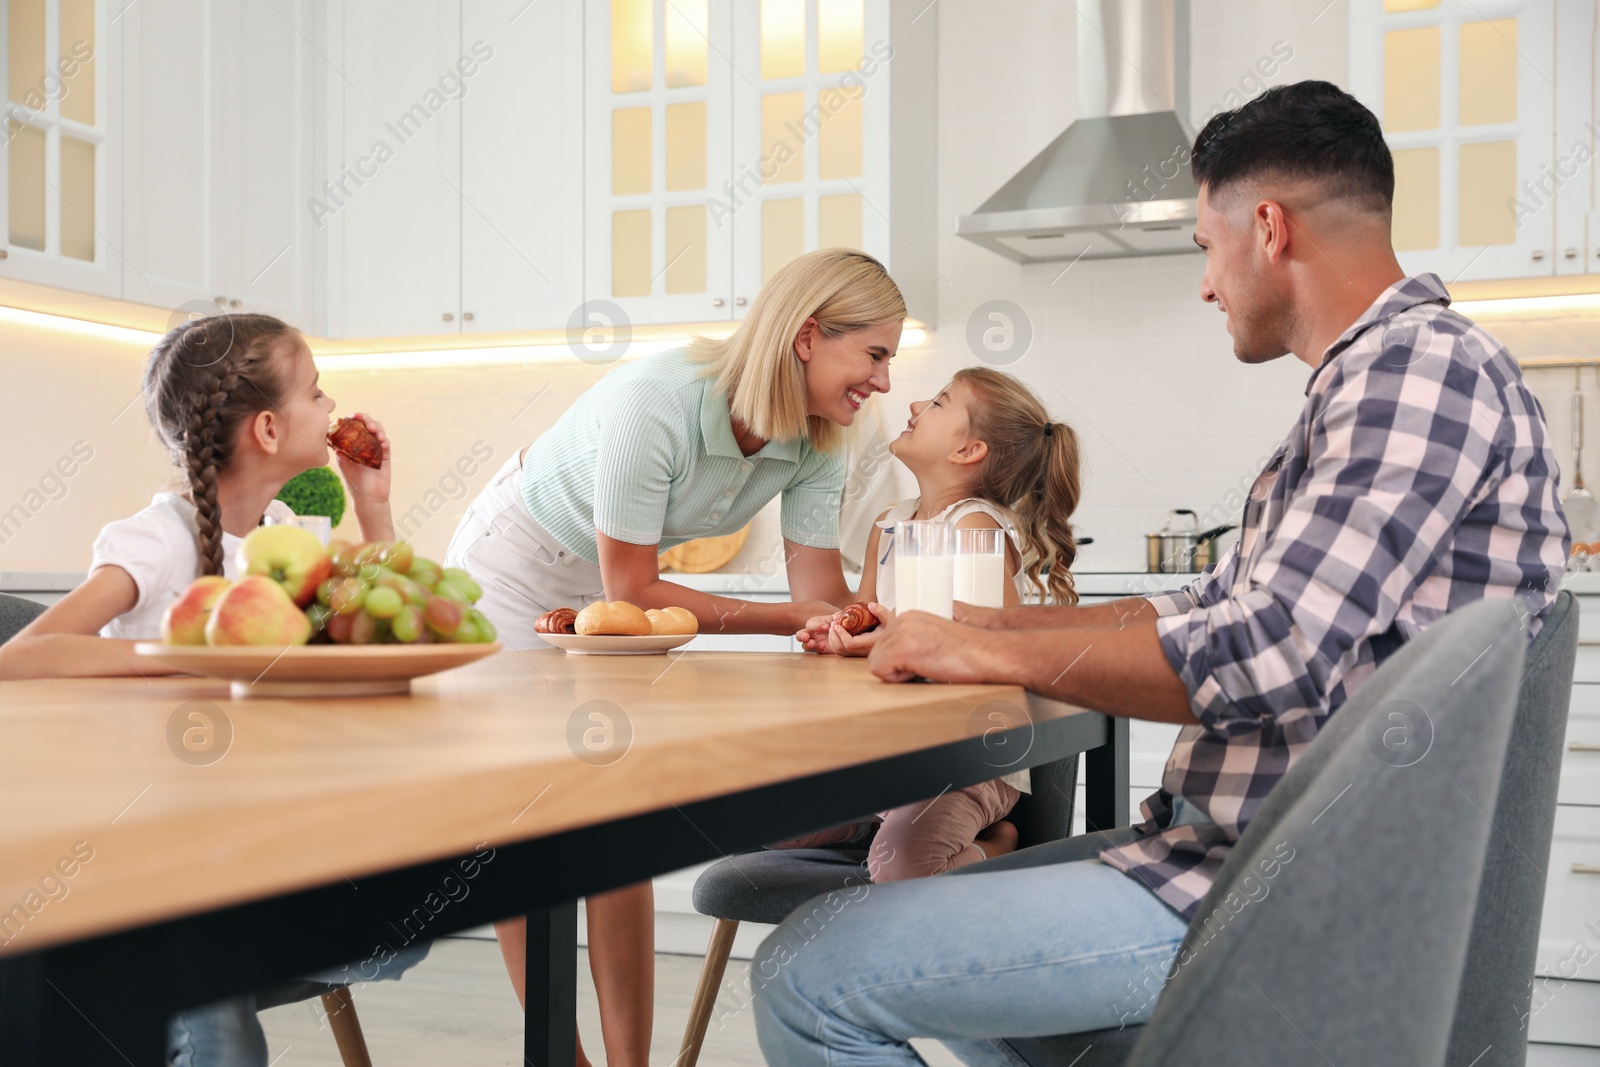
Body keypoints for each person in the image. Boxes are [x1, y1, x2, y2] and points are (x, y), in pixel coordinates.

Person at [752, 80, 1570, 1066]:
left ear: (1266, 227)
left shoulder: (1416, 371)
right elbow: (1211, 602)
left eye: (1203, 247)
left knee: (808, 971)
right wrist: (980, 628)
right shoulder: (1370, 382)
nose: (1205, 284)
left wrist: (968, 642)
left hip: (1271, 889)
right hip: (1219, 855)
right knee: (935, 963)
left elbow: (1271, 649)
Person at [444, 248, 906, 1067]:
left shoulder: (820, 435)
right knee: (527, 820)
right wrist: (785, 621)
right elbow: (636, 583)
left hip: (612, 588)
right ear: (807, 337)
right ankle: (564, 1059)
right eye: (874, 354)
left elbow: (816, 587)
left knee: (616, 813)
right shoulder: (653, 403)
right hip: (514, 569)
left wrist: (857, 626)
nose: (885, 381)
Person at [0, 314, 427, 1064]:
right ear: (268, 429)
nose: (332, 410)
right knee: (218, 1019)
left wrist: (373, 506)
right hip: (153, 848)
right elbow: (22, 656)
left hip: (251, 829)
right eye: (317, 394)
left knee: (404, 924)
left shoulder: (286, 534)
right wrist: (189, 655)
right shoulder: (160, 537)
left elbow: (405, 619)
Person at [779, 367, 1082, 879]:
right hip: (888, 746)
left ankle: (998, 843)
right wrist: (845, 638)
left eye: (939, 403)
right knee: (765, 821)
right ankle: (880, 822)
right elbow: (871, 620)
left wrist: (889, 641)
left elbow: (988, 653)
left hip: (966, 755)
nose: (916, 404)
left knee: (903, 868)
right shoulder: (889, 524)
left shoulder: (974, 527)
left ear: (967, 451)